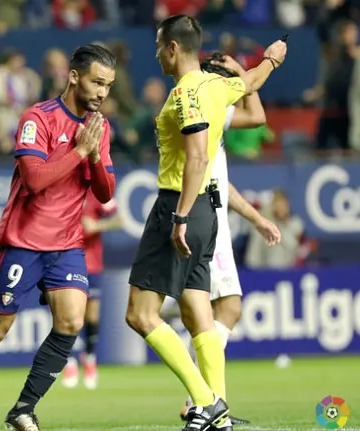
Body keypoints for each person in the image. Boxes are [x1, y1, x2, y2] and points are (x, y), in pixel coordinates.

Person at [0, 44, 117, 431]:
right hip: (23, 242)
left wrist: (95, 156)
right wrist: (79, 150)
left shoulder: (100, 129)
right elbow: (35, 180)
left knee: (71, 322)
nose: (102, 92)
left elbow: (105, 193)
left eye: (108, 85)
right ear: (74, 76)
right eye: (97, 82)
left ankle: (23, 409)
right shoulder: (38, 118)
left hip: (66, 244)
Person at [124, 15, 286, 431]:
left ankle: (205, 401)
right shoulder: (218, 86)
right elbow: (249, 83)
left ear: (173, 48)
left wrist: (178, 216)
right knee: (199, 314)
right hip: (208, 216)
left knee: (140, 315)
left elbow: (197, 158)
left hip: (178, 205)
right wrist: (271, 59)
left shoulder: (187, 94)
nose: (157, 53)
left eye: (160, 46)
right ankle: (222, 417)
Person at [173, 53, 283, 427]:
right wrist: (246, 72)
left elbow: (257, 118)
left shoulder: (215, 114)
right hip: (207, 221)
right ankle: (201, 399)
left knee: (216, 311)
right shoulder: (207, 109)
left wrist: (255, 218)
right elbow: (255, 112)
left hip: (213, 215)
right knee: (226, 308)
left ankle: (201, 401)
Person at [62, 191, 122, 390]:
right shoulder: (62, 191)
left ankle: (89, 358)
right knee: (69, 315)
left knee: (91, 316)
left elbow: (119, 219)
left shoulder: (96, 194)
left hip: (93, 265)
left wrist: (98, 225)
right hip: (67, 262)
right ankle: (69, 362)